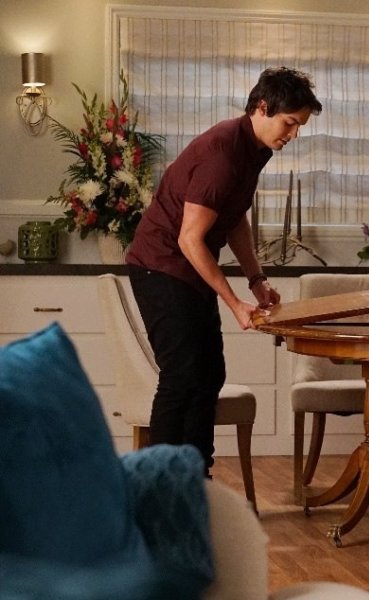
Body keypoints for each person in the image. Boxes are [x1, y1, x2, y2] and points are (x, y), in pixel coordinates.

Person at [126, 67, 323, 474]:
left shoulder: (256, 149)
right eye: (289, 123)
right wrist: (234, 302)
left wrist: (257, 280)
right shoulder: (223, 152)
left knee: (209, 374)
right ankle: (159, 484)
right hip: (161, 264)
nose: (293, 134)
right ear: (262, 107)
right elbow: (189, 239)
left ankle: (197, 477)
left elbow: (234, 219)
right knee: (182, 376)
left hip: (189, 267)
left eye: (299, 126)